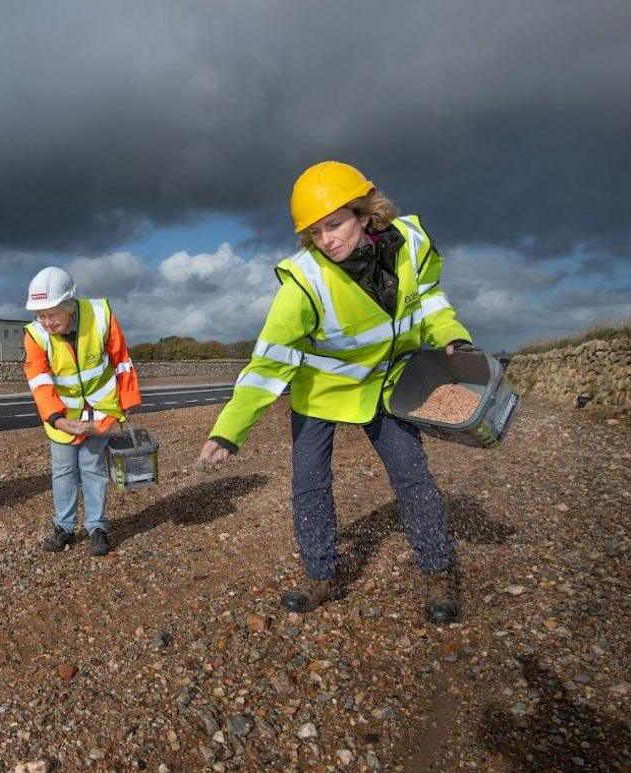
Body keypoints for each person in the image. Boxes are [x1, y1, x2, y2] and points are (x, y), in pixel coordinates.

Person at [197, 161, 474, 624]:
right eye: (316, 231)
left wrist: (452, 335)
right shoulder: (303, 284)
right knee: (310, 485)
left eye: (336, 224)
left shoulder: (411, 245)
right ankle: (319, 574)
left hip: (387, 387)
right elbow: (267, 365)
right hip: (321, 396)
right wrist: (228, 432)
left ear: (364, 214)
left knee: (412, 475)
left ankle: (438, 571)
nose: (328, 240)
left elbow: (429, 298)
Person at [24, 266, 141, 557]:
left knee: (93, 468)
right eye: (41, 315)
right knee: (63, 472)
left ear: (70, 305)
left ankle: (97, 528)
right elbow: (39, 380)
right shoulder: (35, 335)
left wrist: (125, 406)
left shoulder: (100, 315)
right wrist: (58, 419)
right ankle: (64, 528)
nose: (46, 322)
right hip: (62, 417)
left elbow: (121, 360)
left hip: (100, 410)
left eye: (52, 314)